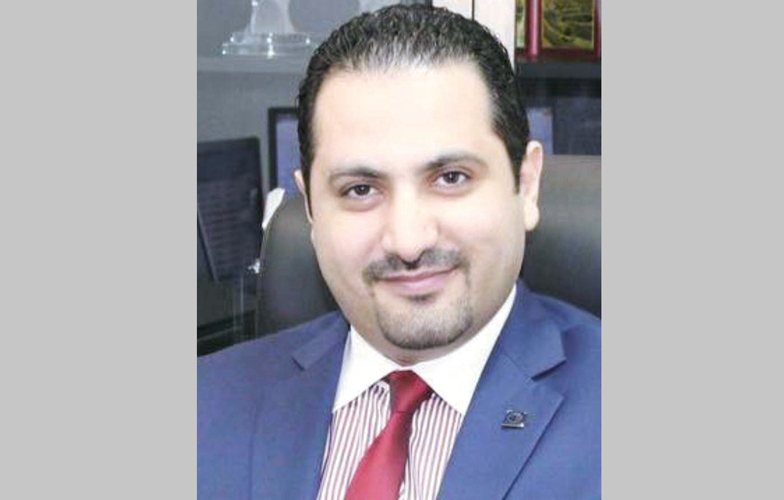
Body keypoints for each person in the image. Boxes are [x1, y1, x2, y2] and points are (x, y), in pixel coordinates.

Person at [198, 5, 600, 499]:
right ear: (311, 208)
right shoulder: (204, 405)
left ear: (527, 184)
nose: (408, 242)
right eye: (360, 190)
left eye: (450, 178)